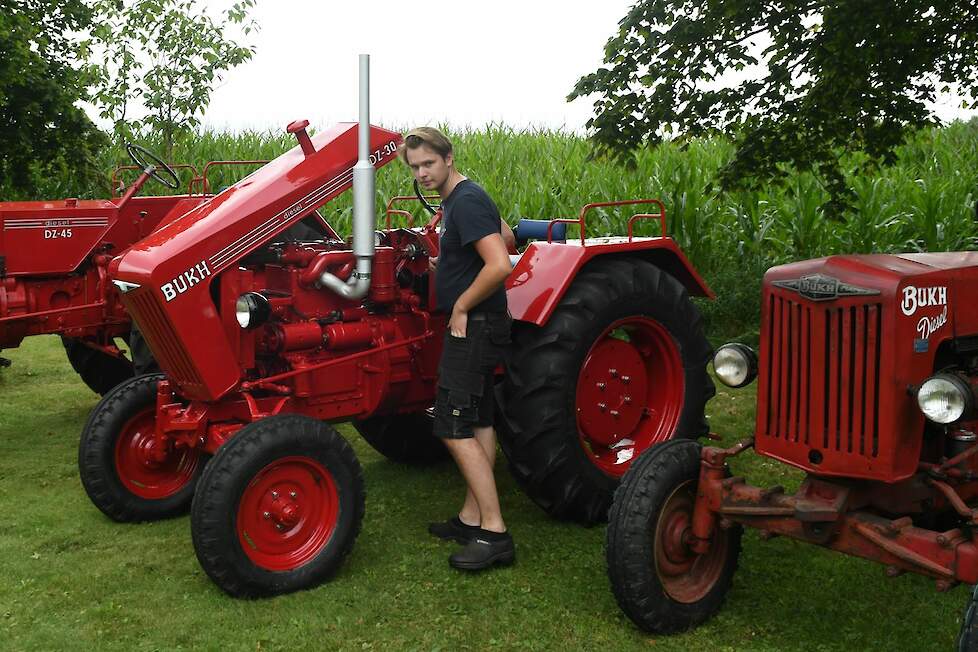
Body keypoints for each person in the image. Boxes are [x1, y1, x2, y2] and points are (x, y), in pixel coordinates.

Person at [401, 127, 515, 570]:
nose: (422, 173)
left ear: (449, 158)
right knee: (480, 422)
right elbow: (503, 234)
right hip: (484, 326)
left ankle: (495, 533)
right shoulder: (462, 199)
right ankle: (472, 518)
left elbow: (501, 263)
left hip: (476, 325)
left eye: (428, 163)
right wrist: (447, 261)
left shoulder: (464, 201)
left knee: (452, 426)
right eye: (414, 167)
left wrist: (463, 304)